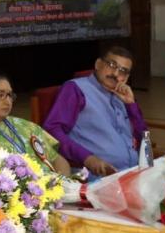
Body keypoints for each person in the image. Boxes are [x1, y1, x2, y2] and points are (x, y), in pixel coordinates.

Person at [43, 46, 147, 179]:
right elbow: (51, 131)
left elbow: (145, 138)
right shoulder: (76, 89)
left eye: (123, 71)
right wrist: (88, 158)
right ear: (98, 64)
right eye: (111, 65)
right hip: (97, 178)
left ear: (126, 77)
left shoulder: (123, 95)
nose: (115, 74)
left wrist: (131, 105)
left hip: (132, 173)